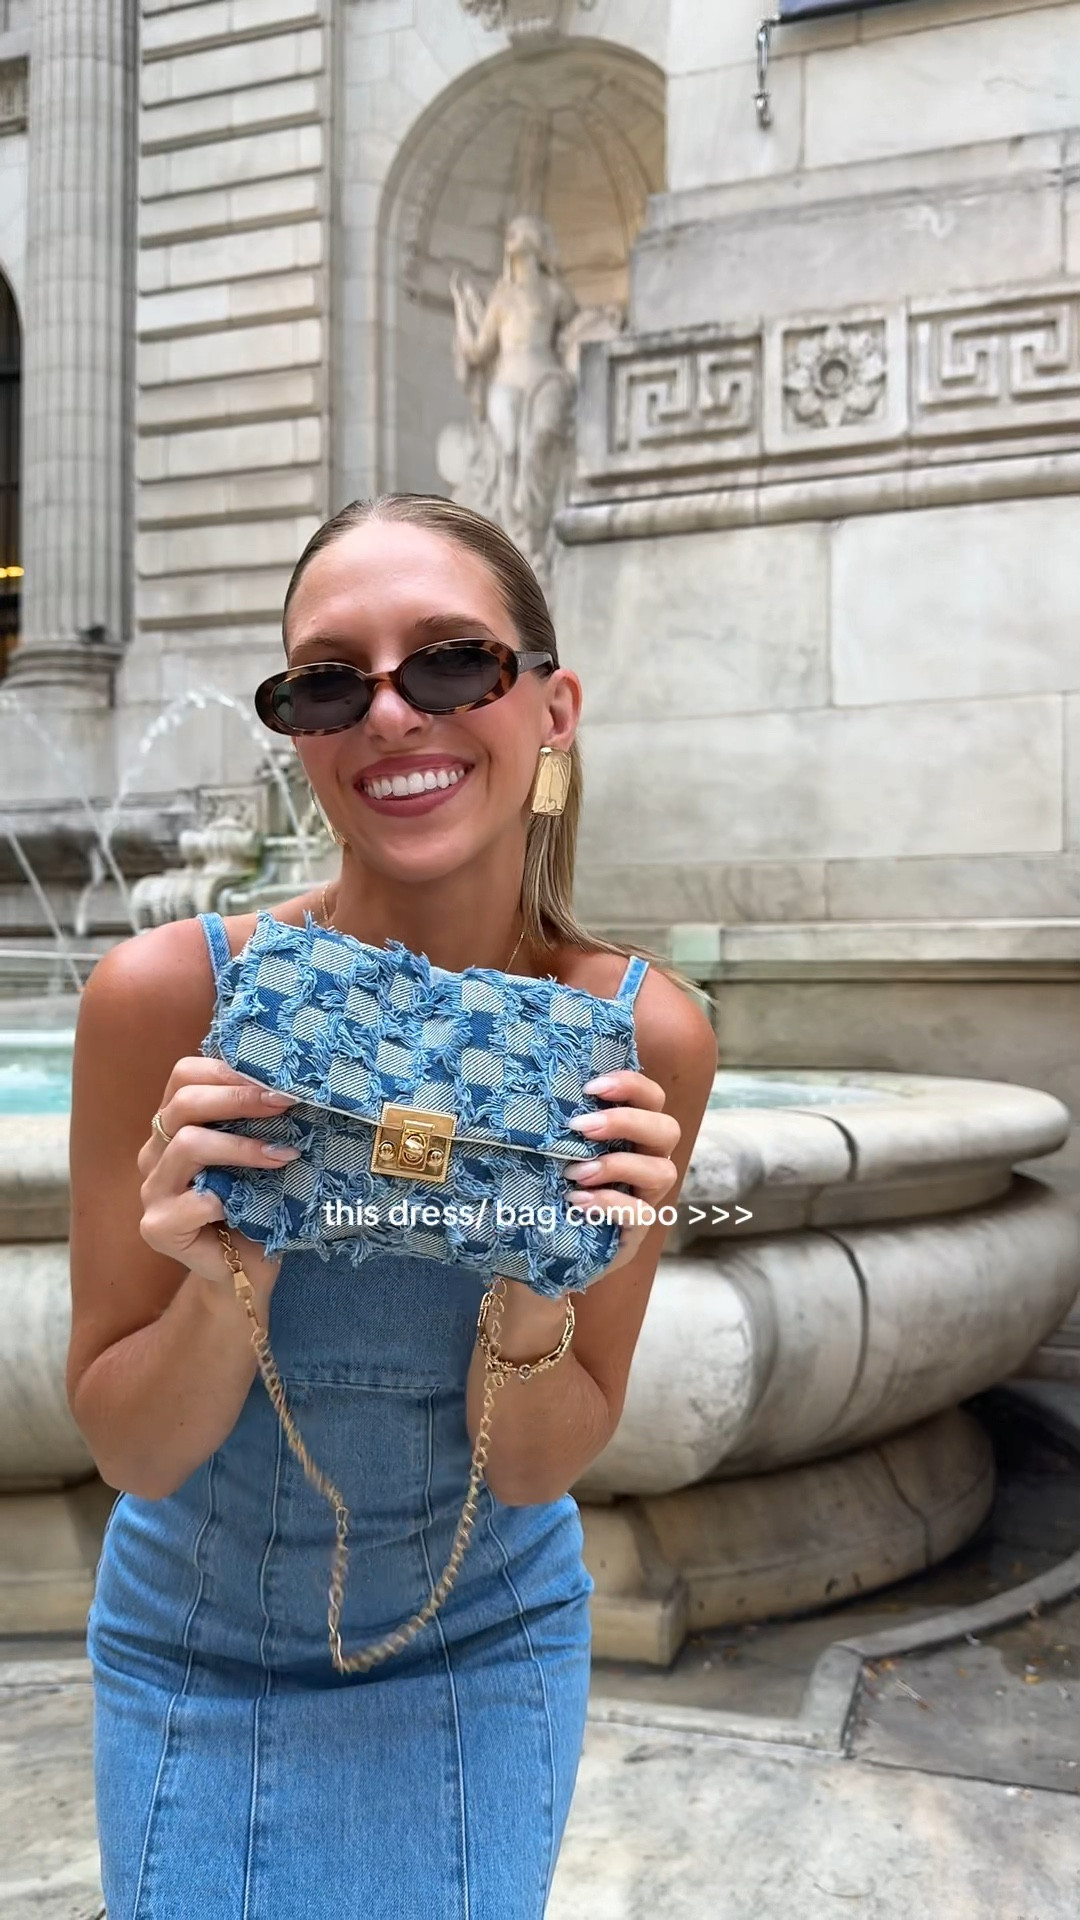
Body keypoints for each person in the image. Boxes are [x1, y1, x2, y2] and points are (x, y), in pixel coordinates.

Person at [68, 494, 717, 1918]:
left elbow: (542, 1465)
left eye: (451, 663)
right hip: (199, 1650)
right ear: (297, 728)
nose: (390, 715)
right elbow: (132, 1446)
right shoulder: (170, 1003)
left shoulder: (637, 1038)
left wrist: (547, 1264)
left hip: (481, 1646)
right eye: (327, 680)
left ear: (552, 708)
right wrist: (228, 1259)